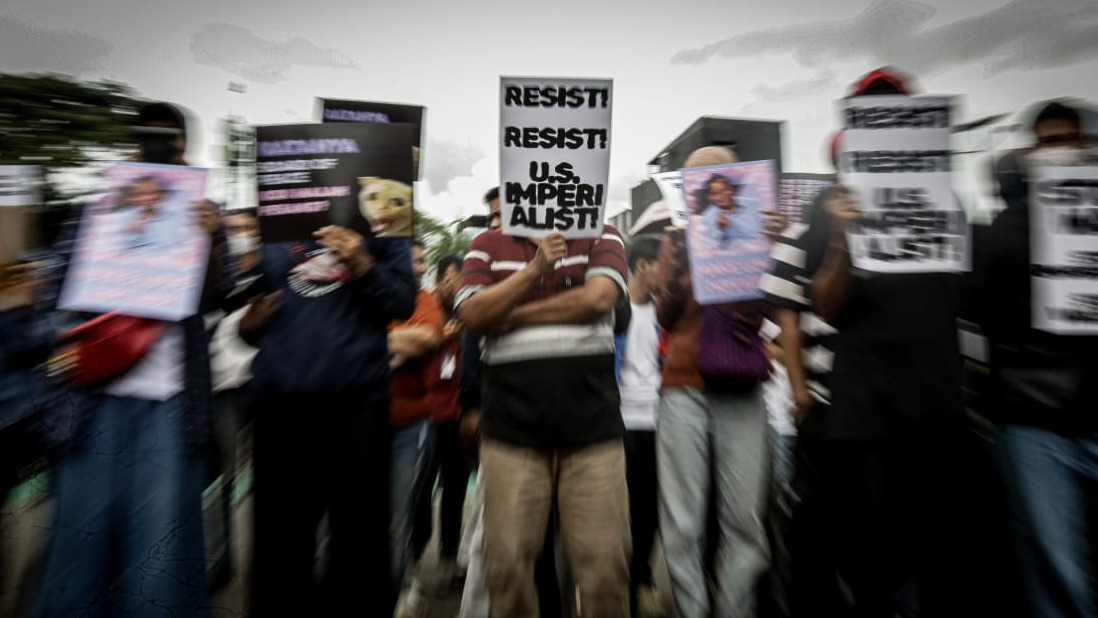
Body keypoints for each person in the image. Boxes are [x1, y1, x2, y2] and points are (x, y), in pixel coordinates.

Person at [34, 101, 233, 618]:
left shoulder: (204, 218)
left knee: (159, 558)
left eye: (169, 139)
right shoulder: (93, 211)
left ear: (186, 147)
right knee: (80, 548)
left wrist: (208, 240)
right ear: (133, 145)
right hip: (90, 403)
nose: (160, 147)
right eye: (149, 137)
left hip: (170, 404)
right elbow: (50, 303)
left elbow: (221, 296)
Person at [807, 67, 977, 618]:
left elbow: (968, 298)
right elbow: (826, 308)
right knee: (874, 562)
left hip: (937, 406)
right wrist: (842, 237)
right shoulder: (832, 211)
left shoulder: (949, 203)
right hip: (866, 412)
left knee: (943, 561)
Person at [241, 202, 416, 614]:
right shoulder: (276, 215)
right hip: (280, 407)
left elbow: (403, 302)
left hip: (357, 409)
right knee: (279, 549)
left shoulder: (387, 225)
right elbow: (246, 311)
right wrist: (248, 318)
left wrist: (361, 262)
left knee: (360, 547)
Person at [457, 213, 631, 617]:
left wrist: (510, 314)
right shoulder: (486, 242)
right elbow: (474, 316)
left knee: (605, 567)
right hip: (511, 436)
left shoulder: (602, 233)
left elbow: (598, 299)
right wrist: (537, 268)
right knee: (508, 567)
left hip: (593, 435)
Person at [974, 100, 1098, 618]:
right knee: (1057, 569)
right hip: (1033, 417)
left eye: (1072, 142)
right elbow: (978, 298)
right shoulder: (1006, 228)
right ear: (1028, 155)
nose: (1062, 154)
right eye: (1049, 144)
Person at [656, 145, 774, 618]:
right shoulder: (677, 239)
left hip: (741, 384)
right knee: (683, 523)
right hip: (684, 385)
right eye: (700, 179)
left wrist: (765, 249)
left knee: (745, 521)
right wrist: (685, 261)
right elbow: (665, 317)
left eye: (719, 175)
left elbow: (768, 309)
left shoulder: (758, 230)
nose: (711, 184)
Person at [205, 206, 261, 592]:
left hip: (262, 386)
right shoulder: (215, 279)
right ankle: (219, 560)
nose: (240, 234)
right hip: (221, 391)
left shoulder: (271, 275)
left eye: (247, 228)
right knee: (221, 480)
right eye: (234, 228)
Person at [412, 254, 472, 593]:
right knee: (419, 494)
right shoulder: (425, 309)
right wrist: (443, 338)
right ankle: (413, 561)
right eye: (454, 282)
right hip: (426, 417)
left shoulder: (467, 314)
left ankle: (451, 560)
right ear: (439, 281)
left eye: (463, 282)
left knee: (456, 490)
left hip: (456, 417)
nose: (459, 289)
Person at [390, 241, 444, 615]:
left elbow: (428, 337)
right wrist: (396, 346)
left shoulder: (424, 299)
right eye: (413, 260)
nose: (420, 267)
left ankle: (396, 592)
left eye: (424, 261)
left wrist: (359, 344)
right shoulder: (367, 292)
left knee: (397, 521)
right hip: (358, 428)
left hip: (409, 426)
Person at [615, 234, 665, 618]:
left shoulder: (667, 312)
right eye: (662, 262)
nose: (667, 271)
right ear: (643, 265)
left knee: (650, 508)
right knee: (621, 510)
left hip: (659, 419)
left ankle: (642, 578)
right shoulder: (614, 309)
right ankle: (621, 585)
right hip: (621, 421)